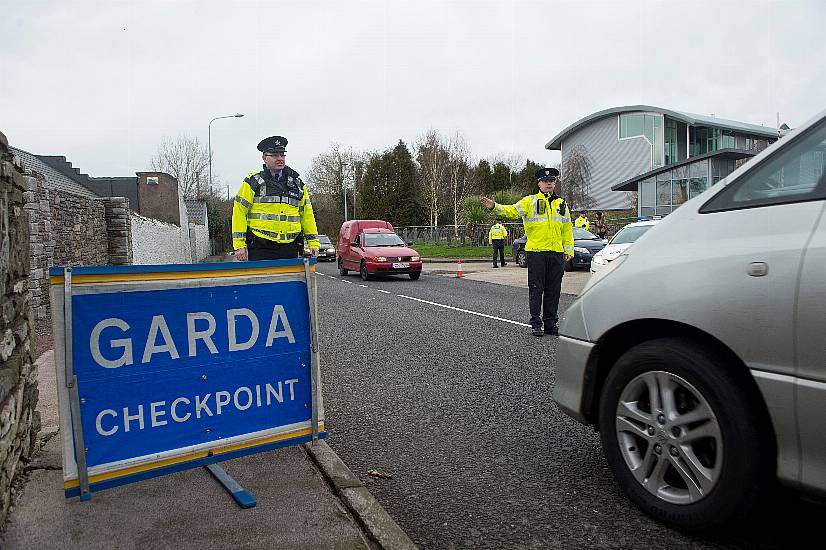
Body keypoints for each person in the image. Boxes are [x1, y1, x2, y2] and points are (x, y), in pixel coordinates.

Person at [480, 167, 573, 337]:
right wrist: (494, 206)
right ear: (539, 183)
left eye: (552, 181)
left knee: (554, 290)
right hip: (536, 252)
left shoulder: (561, 203)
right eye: (546, 181)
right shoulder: (529, 201)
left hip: (556, 253)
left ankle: (551, 323)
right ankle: (536, 323)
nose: (549, 183)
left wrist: (568, 249)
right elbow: (511, 210)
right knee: (536, 289)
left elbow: (567, 228)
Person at [232, 136, 320, 261]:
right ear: (264, 157)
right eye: (274, 155)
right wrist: (239, 245)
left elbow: (307, 214)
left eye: (282, 155)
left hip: (290, 247)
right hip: (261, 247)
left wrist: (313, 243)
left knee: (290, 281)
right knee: (262, 281)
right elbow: (239, 212)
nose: (280, 159)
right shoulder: (253, 181)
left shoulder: (297, 184)